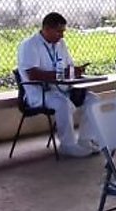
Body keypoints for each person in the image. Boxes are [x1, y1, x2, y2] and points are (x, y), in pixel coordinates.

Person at [16, 12, 98, 157]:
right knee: (63, 104)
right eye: (59, 31)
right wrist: (63, 75)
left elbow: (68, 67)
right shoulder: (29, 45)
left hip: (62, 89)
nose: (62, 35)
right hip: (40, 93)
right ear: (46, 29)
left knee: (93, 99)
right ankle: (68, 145)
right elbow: (33, 75)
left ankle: (85, 140)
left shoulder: (61, 44)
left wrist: (76, 71)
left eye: (63, 32)